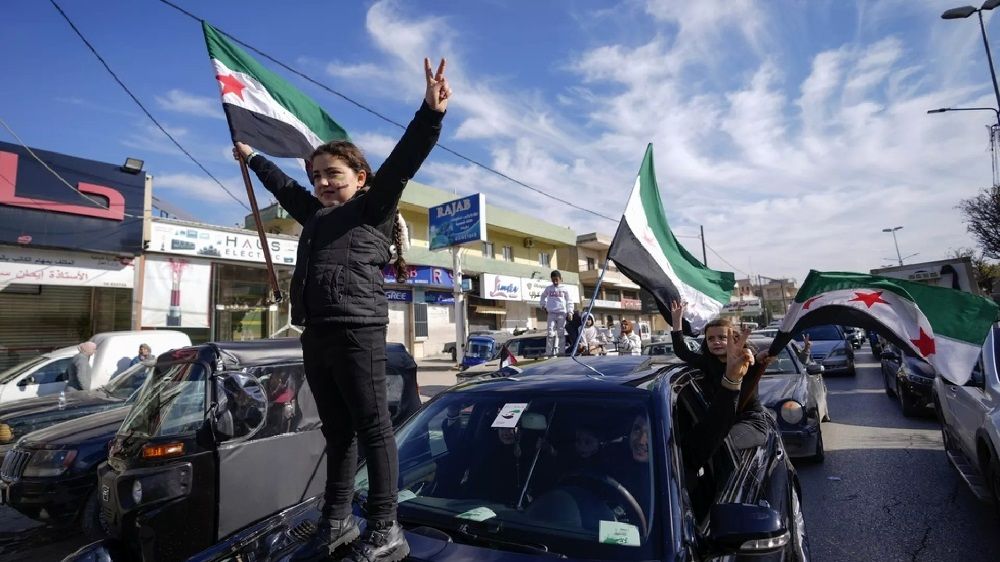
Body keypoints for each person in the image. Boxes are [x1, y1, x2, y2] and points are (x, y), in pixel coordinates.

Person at [234, 58, 451, 562]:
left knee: (373, 428)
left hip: (358, 330)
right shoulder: (316, 216)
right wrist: (253, 157)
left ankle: (385, 528)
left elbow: (404, 161)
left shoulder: (372, 209)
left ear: (359, 177)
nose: (323, 184)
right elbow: (284, 188)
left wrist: (430, 114)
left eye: (333, 174)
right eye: (316, 177)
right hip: (316, 334)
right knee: (337, 432)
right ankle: (336, 520)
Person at [669, 301, 770, 472]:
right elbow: (681, 351)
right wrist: (677, 320)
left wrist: (753, 358)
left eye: (722, 338)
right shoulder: (706, 363)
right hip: (721, 424)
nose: (716, 342)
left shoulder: (746, 360)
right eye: (711, 338)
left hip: (750, 422)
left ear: (734, 339)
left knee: (721, 447)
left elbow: (753, 362)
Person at [539, 270, 574, 357]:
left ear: (561, 279)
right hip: (551, 313)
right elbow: (543, 296)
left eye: (556, 280)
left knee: (561, 333)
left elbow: (569, 301)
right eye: (553, 280)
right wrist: (543, 305)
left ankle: (561, 352)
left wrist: (570, 312)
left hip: (562, 313)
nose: (555, 282)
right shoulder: (548, 288)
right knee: (550, 332)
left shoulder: (564, 289)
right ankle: (548, 352)